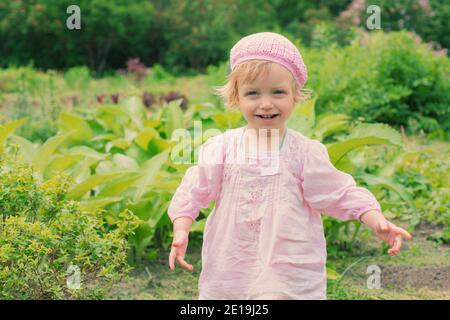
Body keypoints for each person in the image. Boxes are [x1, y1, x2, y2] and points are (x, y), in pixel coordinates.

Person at [167, 32, 413, 300]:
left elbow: (339, 192)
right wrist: (181, 228)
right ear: (236, 97)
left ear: (295, 95)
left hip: (287, 265)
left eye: (278, 92)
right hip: (232, 264)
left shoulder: (304, 153)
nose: (266, 103)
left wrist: (375, 220)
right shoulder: (222, 148)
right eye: (253, 93)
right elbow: (193, 190)